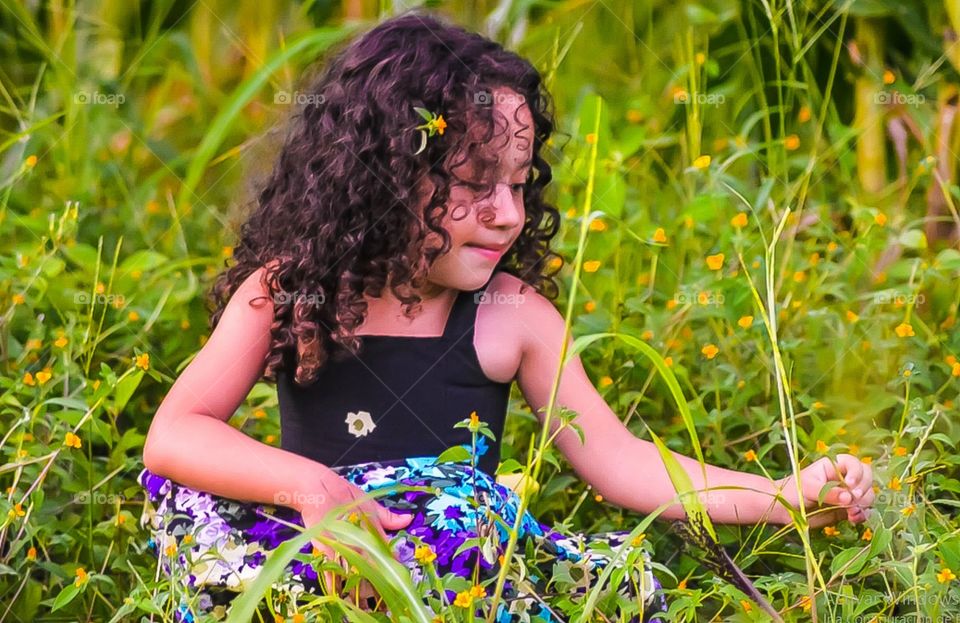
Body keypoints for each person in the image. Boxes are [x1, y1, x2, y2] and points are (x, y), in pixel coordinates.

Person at [138, 10, 875, 623]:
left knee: (470, 508)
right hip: (318, 567)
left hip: (452, 573)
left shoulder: (510, 316)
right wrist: (313, 489)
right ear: (385, 175)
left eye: (520, 185)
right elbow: (174, 434)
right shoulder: (290, 291)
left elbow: (619, 461)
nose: (508, 216)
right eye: (474, 184)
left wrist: (783, 496)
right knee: (198, 513)